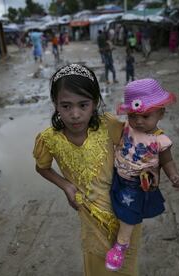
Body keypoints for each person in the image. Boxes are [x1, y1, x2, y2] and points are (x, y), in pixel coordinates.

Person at [33, 63, 141, 275]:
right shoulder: (49, 139)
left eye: (83, 105)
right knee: (97, 266)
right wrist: (65, 185)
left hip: (126, 216)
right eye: (66, 106)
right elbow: (42, 167)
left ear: (95, 103)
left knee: (127, 266)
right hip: (91, 219)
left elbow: (135, 146)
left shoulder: (107, 125)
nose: (75, 114)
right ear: (55, 104)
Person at [105, 78, 179, 271]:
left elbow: (167, 161)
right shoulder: (127, 127)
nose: (138, 121)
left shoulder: (160, 140)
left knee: (129, 215)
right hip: (117, 175)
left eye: (145, 117)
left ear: (161, 113)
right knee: (114, 206)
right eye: (133, 115)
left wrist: (173, 175)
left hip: (136, 184)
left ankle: (121, 245)